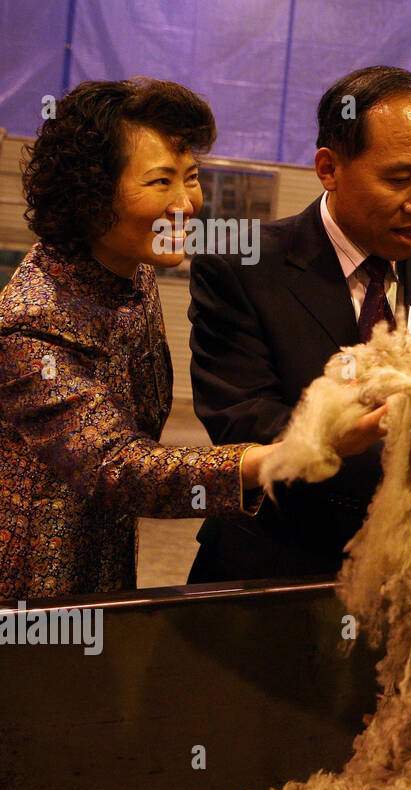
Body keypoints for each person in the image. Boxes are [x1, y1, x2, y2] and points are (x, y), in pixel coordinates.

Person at [0, 79, 384, 599]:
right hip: (28, 597)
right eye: (160, 182)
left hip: (103, 572)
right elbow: (117, 468)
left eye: (192, 177)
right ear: (88, 193)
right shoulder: (33, 322)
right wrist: (288, 453)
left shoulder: (129, 275)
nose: (186, 203)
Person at [187, 66, 411, 583]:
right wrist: (344, 437)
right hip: (277, 571)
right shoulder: (242, 265)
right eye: (399, 179)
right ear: (329, 169)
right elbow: (241, 418)